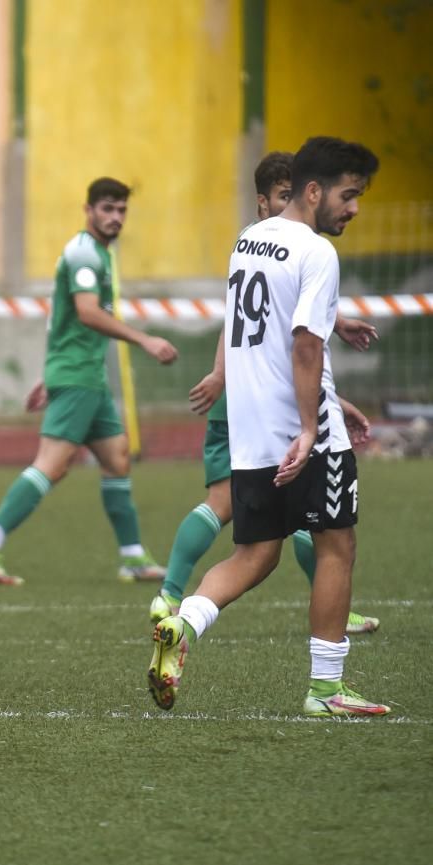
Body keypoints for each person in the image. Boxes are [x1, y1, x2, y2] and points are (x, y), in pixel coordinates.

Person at [148, 136, 389, 717]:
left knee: (257, 554)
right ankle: (326, 688)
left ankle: (183, 625)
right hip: (305, 433)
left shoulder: (248, 240)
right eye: (348, 195)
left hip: (251, 427)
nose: (353, 208)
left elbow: (267, 321)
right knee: (337, 546)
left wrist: (334, 379)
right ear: (314, 190)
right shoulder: (317, 252)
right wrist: (313, 425)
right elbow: (304, 345)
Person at [0, 178, 177, 586]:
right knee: (52, 465)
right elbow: (87, 312)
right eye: (107, 208)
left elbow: (61, 318)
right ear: (88, 209)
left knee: (116, 459)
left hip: (83, 375)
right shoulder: (83, 253)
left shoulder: (97, 253)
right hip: (78, 376)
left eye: (121, 210)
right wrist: (144, 338)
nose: (115, 217)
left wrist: (47, 374)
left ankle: (132, 557)